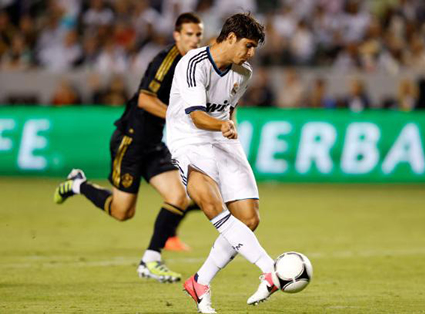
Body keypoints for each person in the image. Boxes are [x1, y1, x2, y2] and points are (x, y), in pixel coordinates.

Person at [53, 13, 204, 283]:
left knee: (178, 197)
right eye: (189, 34)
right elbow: (145, 100)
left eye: (198, 35)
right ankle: (78, 184)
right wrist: (178, 117)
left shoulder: (192, 64)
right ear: (177, 35)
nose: (194, 39)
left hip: (154, 143)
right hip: (131, 140)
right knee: (123, 212)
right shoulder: (166, 61)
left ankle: (150, 260)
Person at [166, 13, 278, 313]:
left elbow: (229, 108)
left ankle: (199, 282)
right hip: (189, 141)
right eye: (249, 45)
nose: (251, 53)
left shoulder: (244, 72)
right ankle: (271, 270)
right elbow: (197, 115)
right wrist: (222, 126)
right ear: (230, 38)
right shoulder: (192, 64)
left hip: (223, 140)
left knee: (249, 218)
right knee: (214, 207)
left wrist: (229, 127)